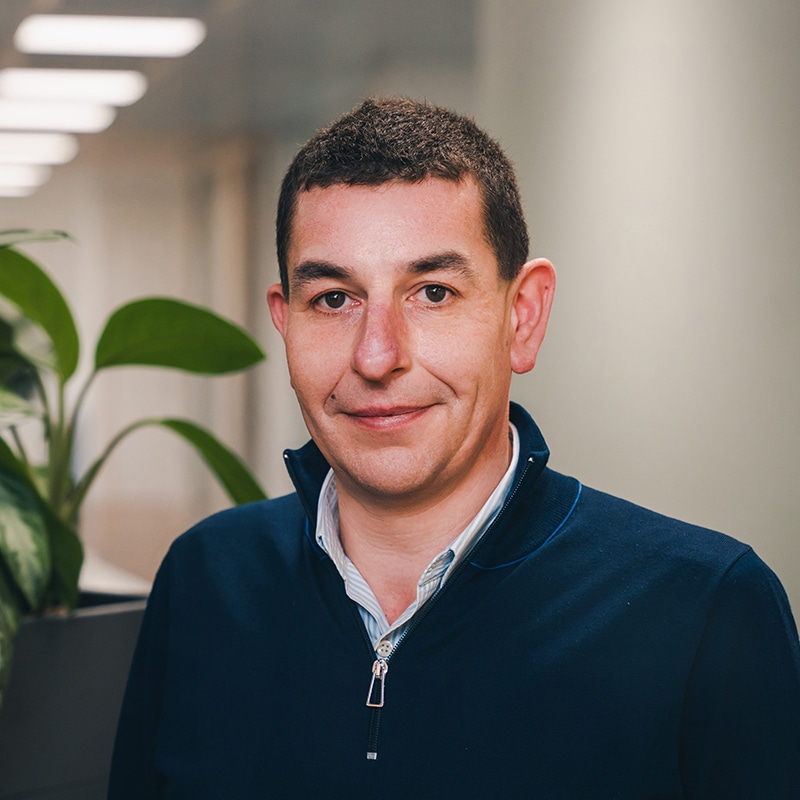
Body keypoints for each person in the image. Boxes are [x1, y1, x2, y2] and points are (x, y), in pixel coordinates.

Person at [108, 97, 800, 798]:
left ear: (521, 318)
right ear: (285, 325)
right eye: (334, 299)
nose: (377, 356)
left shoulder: (704, 611)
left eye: (432, 292)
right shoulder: (205, 580)